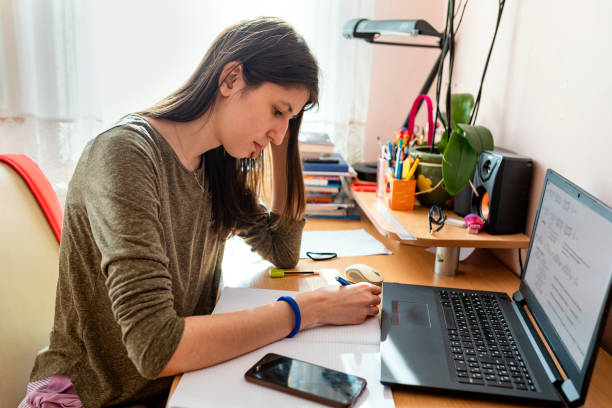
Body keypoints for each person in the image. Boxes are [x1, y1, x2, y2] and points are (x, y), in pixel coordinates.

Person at [21, 16, 381, 408]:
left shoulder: (214, 165)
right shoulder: (126, 156)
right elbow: (155, 346)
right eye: (277, 110)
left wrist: (283, 141)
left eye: (290, 119)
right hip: (97, 395)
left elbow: (281, 250)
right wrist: (307, 310)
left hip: (177, 383)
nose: (280, 132)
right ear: (230, 80)